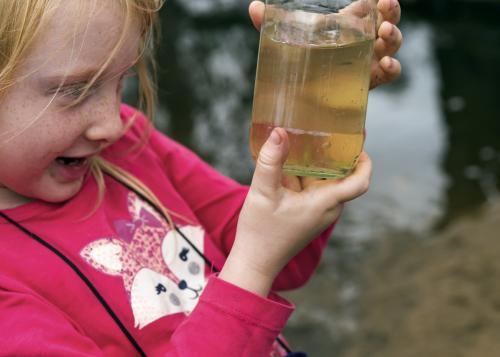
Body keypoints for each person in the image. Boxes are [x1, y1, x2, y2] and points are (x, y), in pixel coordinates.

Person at [0, 0, 402, 356]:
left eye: (121, 81)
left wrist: (317, 107)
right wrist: (253, 264)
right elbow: (257, 258)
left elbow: (283, 261)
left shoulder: (127, 144)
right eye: (77, 89)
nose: (111, 122)